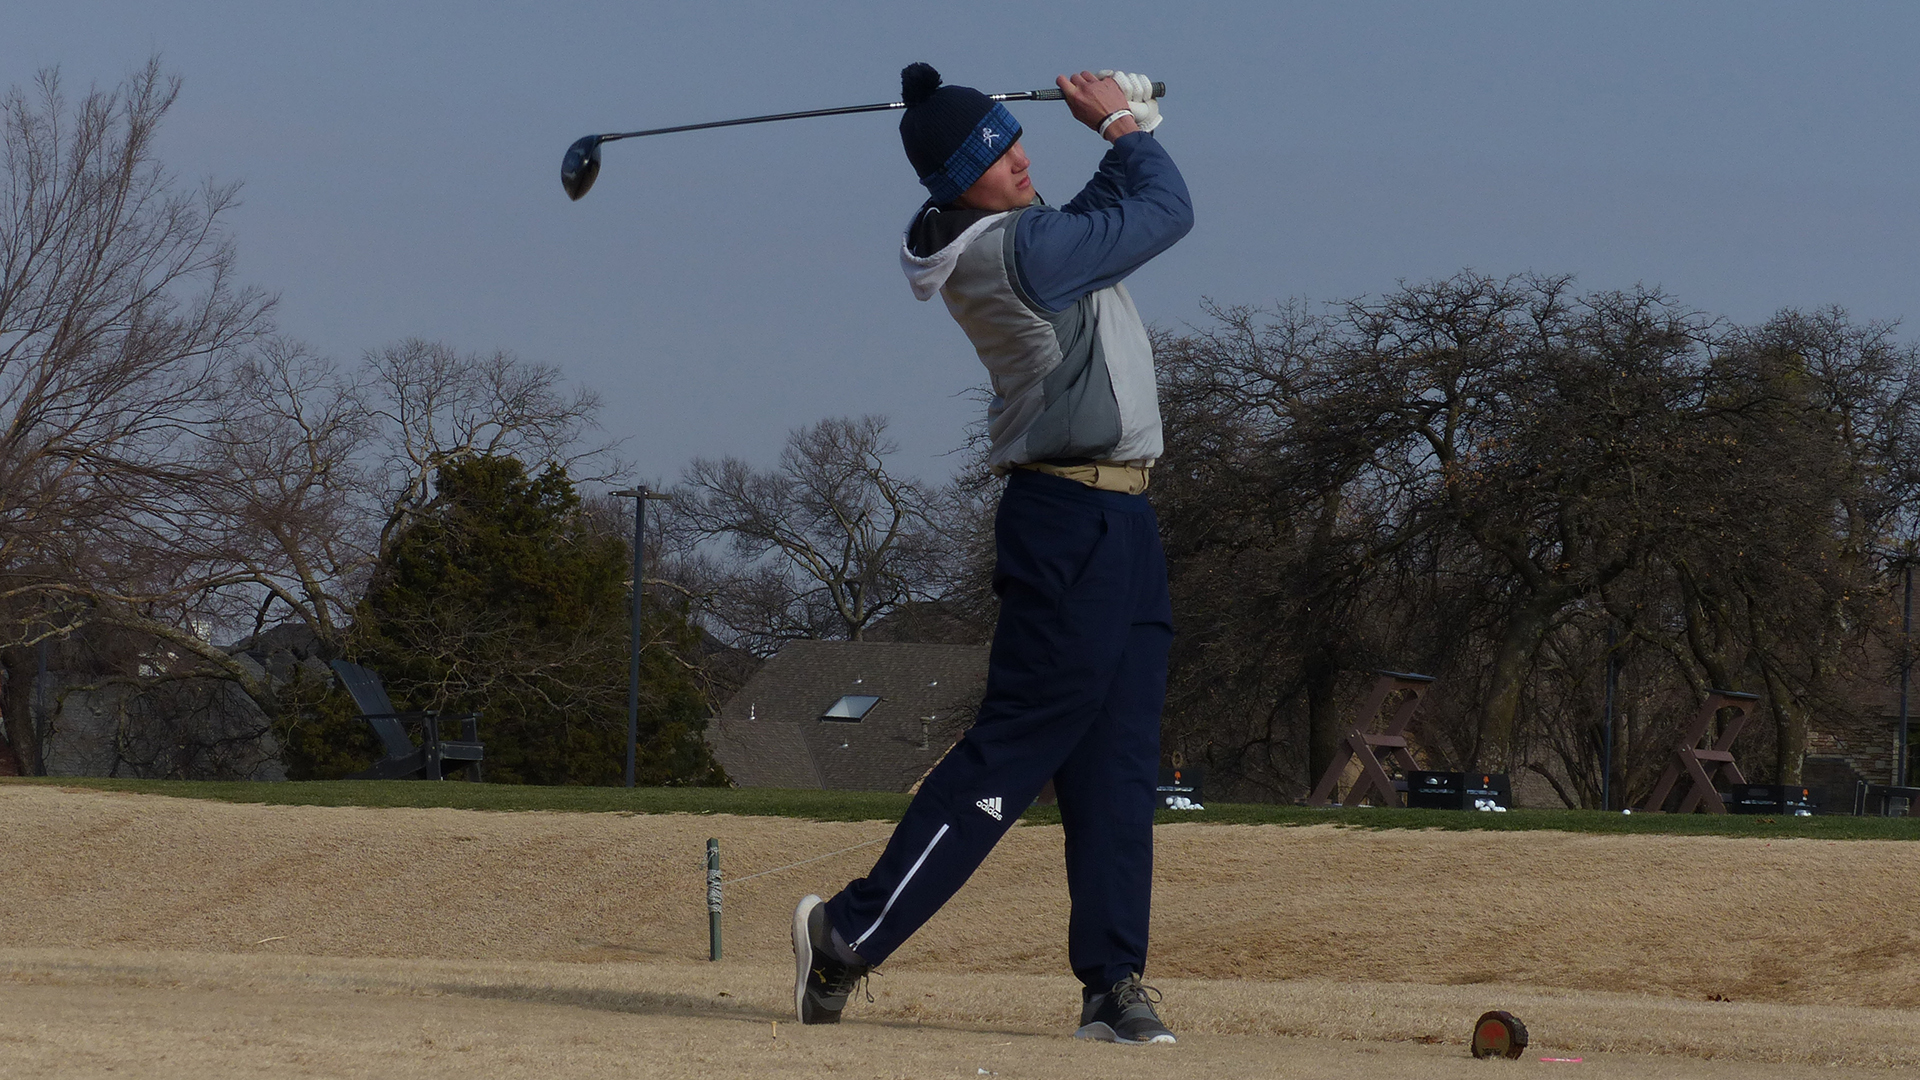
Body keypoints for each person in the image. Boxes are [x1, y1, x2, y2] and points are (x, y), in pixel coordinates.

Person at [792, 62, 1193, 1045]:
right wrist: (1127, 129)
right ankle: (847, 931)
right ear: (954, 185)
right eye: (994, 156)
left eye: (1015, 141)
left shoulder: (1027, 233)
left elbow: (1102, 209)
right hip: (1068, 523)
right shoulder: (1014, 253)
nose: (1018, 159)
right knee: (1014, 753)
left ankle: (1111, 985)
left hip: (1124, 522)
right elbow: (1163, 209)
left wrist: (1127, 127)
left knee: (1118, 767)